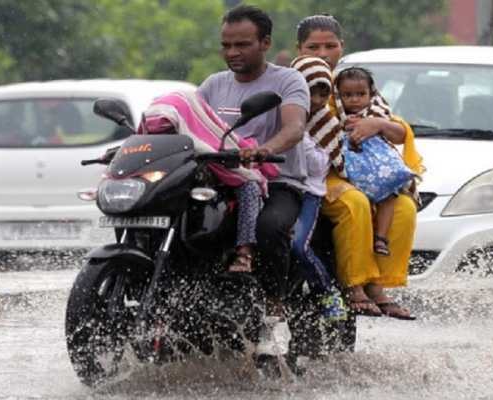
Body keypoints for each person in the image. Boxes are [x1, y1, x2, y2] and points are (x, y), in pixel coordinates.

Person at [295, 14, 423, 319]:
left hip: (361, 172)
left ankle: (379, 285)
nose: (323, 54)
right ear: (299, 49)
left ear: (342, 47)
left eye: (330, 46)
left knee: (403, 207)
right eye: (314, 47)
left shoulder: (351, 83)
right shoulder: (294, 84)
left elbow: (399, 132)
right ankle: (354, 285)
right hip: (317, 175)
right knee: (355, 204)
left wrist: (376, 123)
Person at [198, 5, 310, 355]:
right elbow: (190, 125)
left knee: (269, 228)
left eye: (242, 45)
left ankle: (272, 305)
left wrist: (266, 149)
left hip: (278, 180)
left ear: (265, 43)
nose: (232, 53)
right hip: (224, 178)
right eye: (226, 45)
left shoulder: (288, 81)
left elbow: (293, 127)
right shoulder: (213, 85)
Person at [137, 90, 279, 273]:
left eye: (169, 130)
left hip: (218, 162)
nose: (163, 135)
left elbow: (209, 139)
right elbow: (141, 144)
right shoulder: (212, 85)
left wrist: (230, 154)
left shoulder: (201, 129)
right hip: (173, 178)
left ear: (181, 122)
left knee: (248, 185)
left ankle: (244, 252)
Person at [334, 66, 415, 257]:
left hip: (380, 169)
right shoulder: (335, 116)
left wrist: (378, 125)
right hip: (353, 171)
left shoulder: (378, 113)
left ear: (372, 94)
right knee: (359, 203)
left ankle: (381, 238)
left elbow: (400, 135)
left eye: (361, 94)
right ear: (338, 97)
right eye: (347, 95)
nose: (354, 99)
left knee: (389, 195)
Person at [289, 55, 347, 320]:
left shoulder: (328, 123)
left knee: (298, 246)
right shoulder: (281, 112)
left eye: (323, 93)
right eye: (309, 92)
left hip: (309, 192)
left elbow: (319, 166)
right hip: (280, 187)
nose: (316, 100)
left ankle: (326, 290)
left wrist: (298, 134)